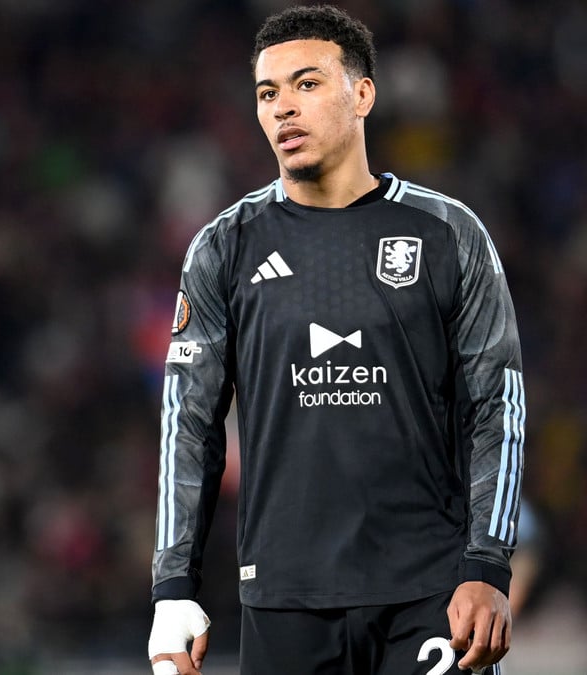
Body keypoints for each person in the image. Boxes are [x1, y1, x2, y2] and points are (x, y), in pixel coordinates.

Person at [146, 5, 524, 675]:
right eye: (268, 93)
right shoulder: (225, 246)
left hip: (431, 592)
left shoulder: (448, 233)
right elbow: (190, 422)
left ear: (363, 94)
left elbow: (498, 407)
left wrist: (488, 564)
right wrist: (173, 584)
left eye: (307, 83)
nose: (284, 107)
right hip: (284, 598)